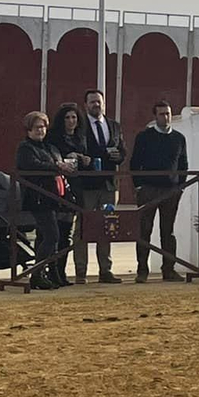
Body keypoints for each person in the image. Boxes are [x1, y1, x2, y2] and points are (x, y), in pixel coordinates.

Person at [129, 100, 189, 283]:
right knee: (144, 229)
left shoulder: (179, 138)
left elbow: (183, 164)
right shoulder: (144, 137)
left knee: (168, 231)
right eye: (162, 114)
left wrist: (180, 186)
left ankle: (168, 269)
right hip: (148, 189)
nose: (166, 117)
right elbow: (134, 163)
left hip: (171, 191)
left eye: (168, 113)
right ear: (155, 116)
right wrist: (139, 186)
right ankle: (142, 270)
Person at [16, 111, 70, 290]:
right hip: (37, 198)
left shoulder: (48, 147)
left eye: (43, 127)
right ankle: (36, 275)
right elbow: (32, 166)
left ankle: (51, 274)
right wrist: (56, 166)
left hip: (52, 198)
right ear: (29, 129)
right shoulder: (25, 148)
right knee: (52, 235)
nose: (41, 130)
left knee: (48, 237)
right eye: (37, 127)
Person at [77, 88, 126, 284]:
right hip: (87, 185)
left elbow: (122, 149)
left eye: (99, 102)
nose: (96, 105)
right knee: (82, 227)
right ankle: (81, 271)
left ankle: (105, 270)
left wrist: (118, 156)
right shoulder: (80, 127)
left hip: (109, 184)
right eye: (92, 102)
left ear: (104, 103)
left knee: (108, 226)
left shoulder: (114, 125)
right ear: (86, 105)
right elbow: (81, 150)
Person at [47, 102, 88, 285]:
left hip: (75, 187)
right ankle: (52, 272)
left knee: (67, 233)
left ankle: (61, 272)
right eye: (67, 117)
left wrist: (84, 159)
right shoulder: (54, 138)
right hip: (57, 187)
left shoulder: (81, 138)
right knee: (55, 233)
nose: (71, 121)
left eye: (74, 117)